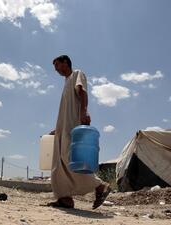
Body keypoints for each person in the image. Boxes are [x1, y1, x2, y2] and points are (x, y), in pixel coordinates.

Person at [48, 55, 110, 209]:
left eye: (57, 66)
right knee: (59, 163)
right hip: (64, 128)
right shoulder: (66, 83)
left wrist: (84, 111)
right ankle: (65, 198)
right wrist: (58, 129)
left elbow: (82, 92)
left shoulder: (77, 74)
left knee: (70, 160)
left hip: (73, 128)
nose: (56, 70)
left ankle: (99, 186)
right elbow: (66, 110)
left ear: (65, 62)